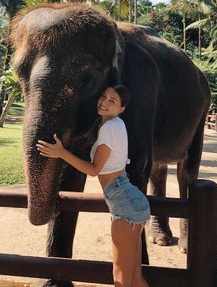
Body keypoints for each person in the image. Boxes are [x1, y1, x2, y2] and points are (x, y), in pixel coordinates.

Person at [37, 85, 150, 287]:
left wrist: (61, 153)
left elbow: (94, 169)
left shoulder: (108, 128)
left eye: (112, 101)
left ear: (121, 108)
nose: (104, 102)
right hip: (130, 198)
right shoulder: (117, 124)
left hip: (124, 203)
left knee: (121, 278)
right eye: (104, 96)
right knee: (134, 277)